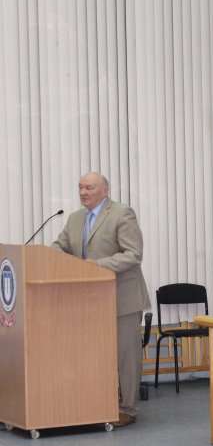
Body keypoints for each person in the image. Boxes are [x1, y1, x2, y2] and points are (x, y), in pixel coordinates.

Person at [51, 172, 150, 427]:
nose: (83, 192)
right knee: (92, 354)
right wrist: (46, 257)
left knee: (126, 355)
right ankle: (95, 403)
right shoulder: (75, 219)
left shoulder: (122, 213)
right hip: (88, 301)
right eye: (80, 187)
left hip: (122, 298)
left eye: (89, 188)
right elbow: (59, 247)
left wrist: (97, 265)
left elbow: (133, 254)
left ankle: (127, 409)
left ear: (104, 191)